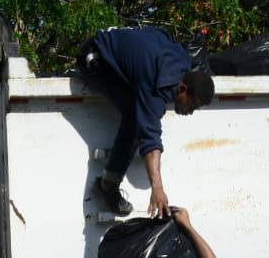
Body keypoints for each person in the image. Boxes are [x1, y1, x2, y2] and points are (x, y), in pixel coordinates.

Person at [77, 27, 215, 218]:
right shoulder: (156, 85)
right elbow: (150, 139)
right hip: (94, 57)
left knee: (139, 111)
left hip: (119, 52)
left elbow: (161, 35)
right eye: (192, 105)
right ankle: (108, 185)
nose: (190, 112)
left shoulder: (182, 60)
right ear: (182, 88)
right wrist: (157, 188)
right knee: (136, 117)